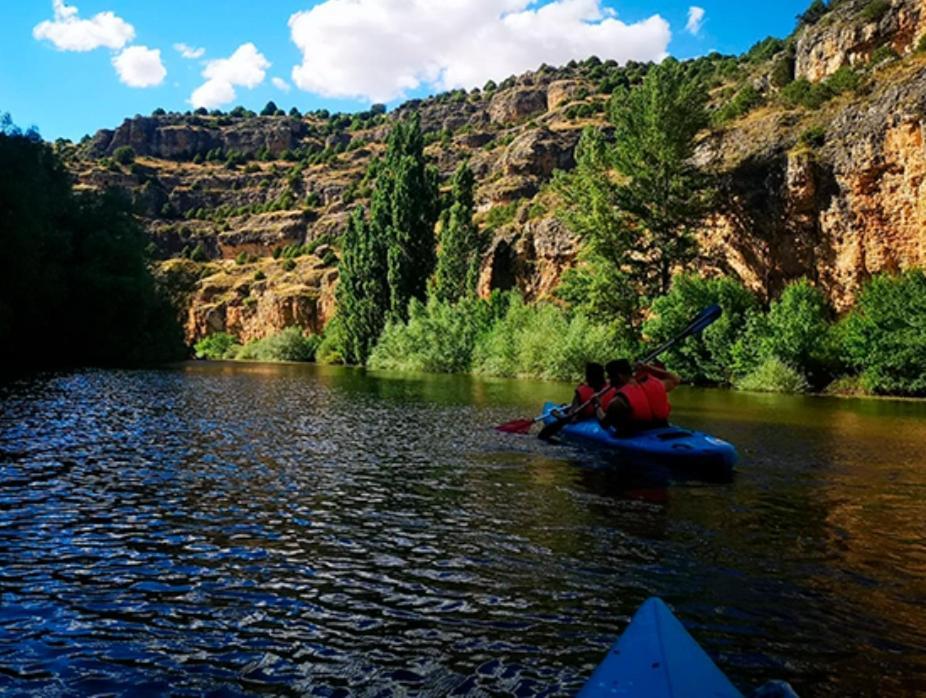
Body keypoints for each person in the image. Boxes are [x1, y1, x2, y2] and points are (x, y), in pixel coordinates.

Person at [634, 360, 680, 427]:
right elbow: (676, 379)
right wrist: (648, 368)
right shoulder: (659, 385)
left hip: (642, 425)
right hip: (656, 425)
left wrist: (647, 368)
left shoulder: (628, 384)